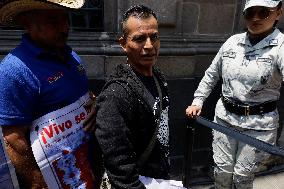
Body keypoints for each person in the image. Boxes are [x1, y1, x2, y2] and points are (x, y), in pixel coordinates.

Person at [0, 0, 99, 188]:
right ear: (27, 23)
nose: (65, 27)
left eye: (66, 18)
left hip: (85, 172)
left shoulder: (72, 57)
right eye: (53, 20)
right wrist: (38, 182)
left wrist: (93, 103)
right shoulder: (13, 71)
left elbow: (79, 95)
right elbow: (13, 137)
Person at [185, 0, 284, 188]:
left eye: (263, 12)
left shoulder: (280, 47)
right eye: (250, 13)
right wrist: (198, 101)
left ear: (278, 12)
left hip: (258, 127)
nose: (255, 18)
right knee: (221, 171)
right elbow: (212, 74)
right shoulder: (232, 42)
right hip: (225, 120)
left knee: (242, 176)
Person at [94, 5, 170, 189]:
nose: (149, 46)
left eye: (154, 37)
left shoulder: (158, 77)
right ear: (123, 44)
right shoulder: (116, 95)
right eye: (139, 39)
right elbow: (120, 168)